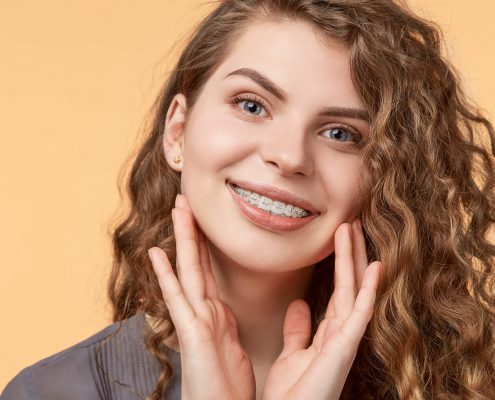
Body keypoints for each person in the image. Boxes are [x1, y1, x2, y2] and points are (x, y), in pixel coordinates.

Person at [2, 0, 495, 399]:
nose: (288, 156)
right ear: (177, 131)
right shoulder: (50, 392)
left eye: (341, 133)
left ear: (387, 178)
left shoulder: (461, 385)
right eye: (252, 105)